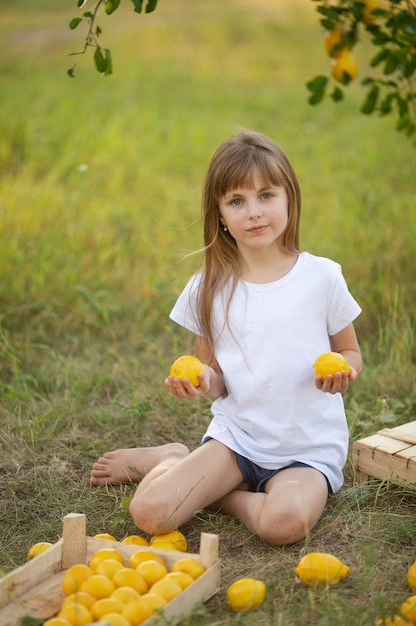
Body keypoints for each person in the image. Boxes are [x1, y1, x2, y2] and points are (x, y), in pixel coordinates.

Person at [91, 129, 362, 546]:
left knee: (282, 525)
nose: (254, 212)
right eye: (237, 201)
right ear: (220, 214)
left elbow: (350, 351)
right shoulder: (209, 287)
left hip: (305, 450)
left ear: (289, 198)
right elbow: (216, 379)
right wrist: (199, 380)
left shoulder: (322, 276)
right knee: (148, 513)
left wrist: (344, 370)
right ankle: (170, 457)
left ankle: (222, 497)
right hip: (237, 441)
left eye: (266, 196)